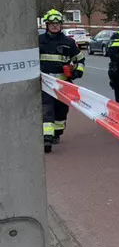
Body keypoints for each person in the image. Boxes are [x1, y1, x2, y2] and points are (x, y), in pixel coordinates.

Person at [39, 9, 85, 153]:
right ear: (46, 25)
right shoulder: (38, 41)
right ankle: (47, 138)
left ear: (61, 25)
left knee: (61, 111)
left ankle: (57, 133)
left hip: (63, 83)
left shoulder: (69, 42)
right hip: (45, 82)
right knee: (47, 109)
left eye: (57, 24)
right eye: (51, 24)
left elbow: (80, 59)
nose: (54, 26)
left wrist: (77, 71)